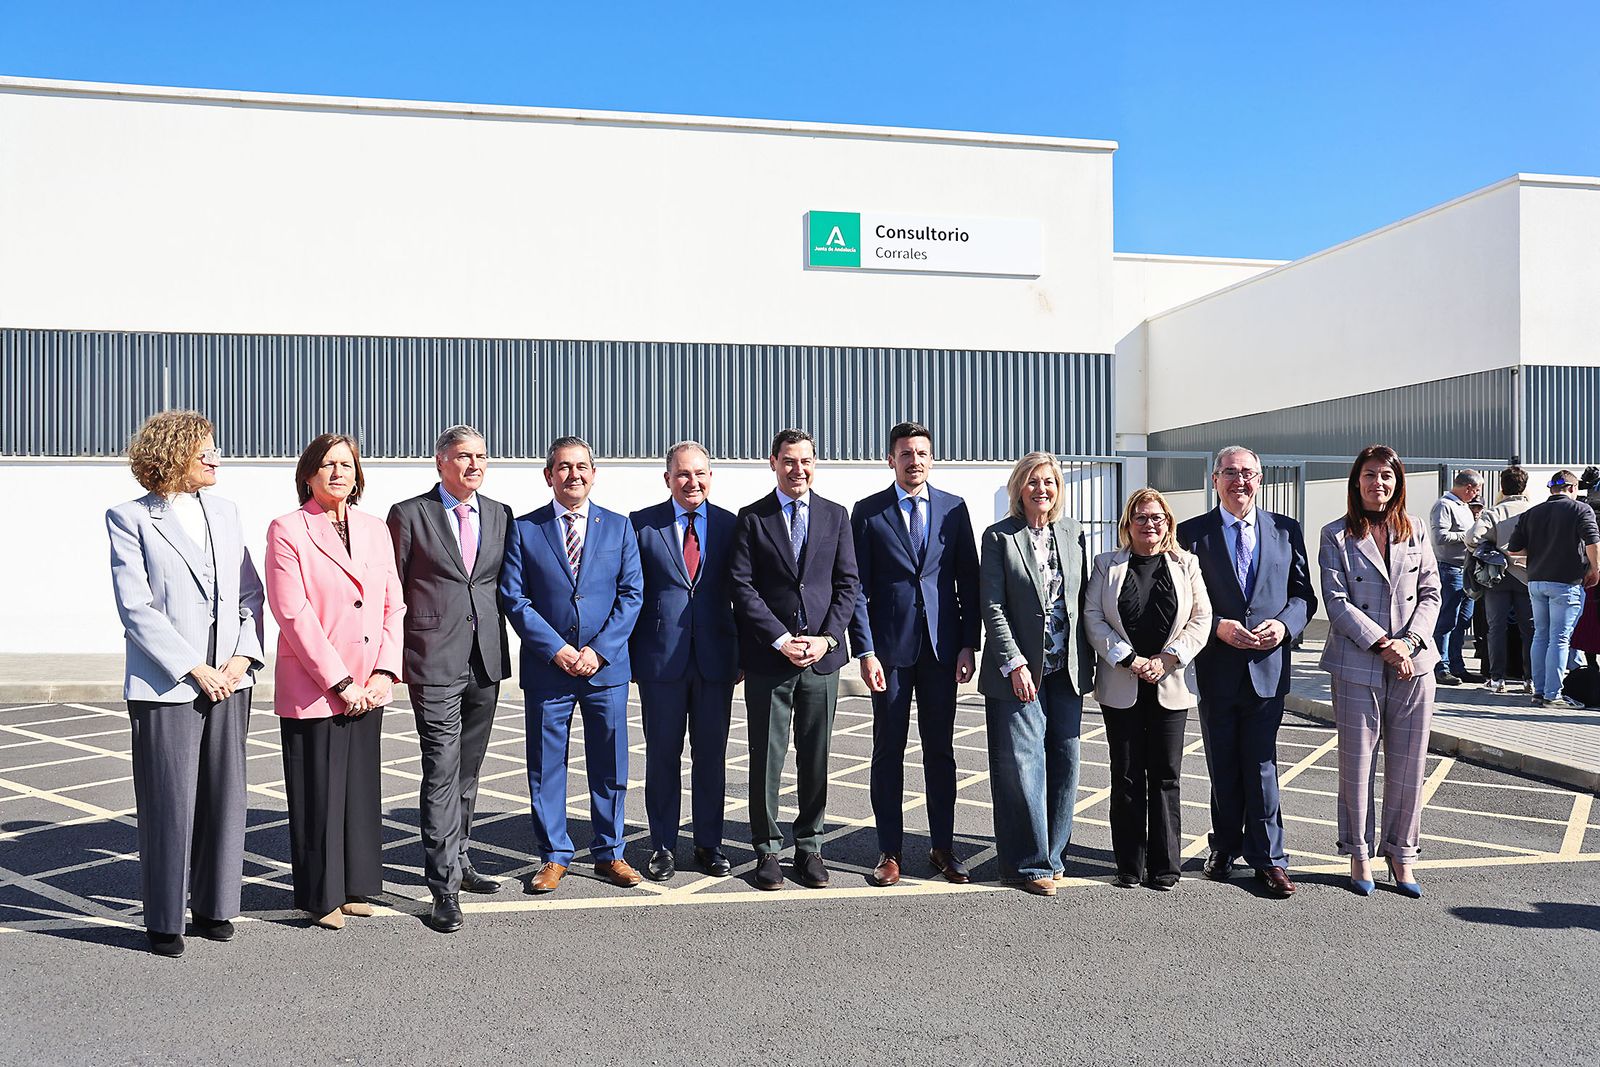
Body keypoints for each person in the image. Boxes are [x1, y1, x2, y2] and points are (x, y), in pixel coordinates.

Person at [106, 411, 265, 957]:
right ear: (174, 455)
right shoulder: (129, 518)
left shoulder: (225, 512)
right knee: (169, 803)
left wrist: (243, 658)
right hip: (168, 683)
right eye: (206, 452)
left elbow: (250, 595)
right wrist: (194, 667)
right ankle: (165, 918)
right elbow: (136, 607)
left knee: (225, 799)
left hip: (230, 680)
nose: (217, 459)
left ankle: (215, 907)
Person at [265, 433, 406, 929]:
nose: (337, 472)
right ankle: (321, 896)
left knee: (360, 789)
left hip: (370, 683)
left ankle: (357, 885)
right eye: (326, 464)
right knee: (317, 793)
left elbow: (393, 602)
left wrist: (385, 672)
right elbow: (292, 613)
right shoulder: (288, 529)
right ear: (308, 473)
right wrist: (342, 682)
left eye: (346, 464)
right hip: (317, 686)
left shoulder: (374, 527)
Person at [498, 436, 643, 893]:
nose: (574, 475)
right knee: (546, 766)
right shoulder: (524, 530)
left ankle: (610, 852)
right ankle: (554, 855)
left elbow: (631, 594)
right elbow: (514, 597)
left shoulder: (619, 528)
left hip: (605, 668)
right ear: (549, 475)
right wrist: (556, 648)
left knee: (610, 763)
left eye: (582, 467)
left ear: (594, 474)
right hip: (549, 669)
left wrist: (598, 651)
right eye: (563, 467)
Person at [385, 425, 513, 933]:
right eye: (463, 457)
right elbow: (392, 589)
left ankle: (460, 856)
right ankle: (442, 888)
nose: (474, 465)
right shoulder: (410, 514)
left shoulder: (500, 514)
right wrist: (387, 661)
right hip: (432, 659)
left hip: (485, 659)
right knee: (441, 768)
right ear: (441, 462)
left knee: (469, 770)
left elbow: (499, 583)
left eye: (481, 456)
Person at [1176, 446, 1316, 898]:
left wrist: (1285, 625)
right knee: (1222, 763)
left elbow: (1302, 596)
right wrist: (1217, 626)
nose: (1240, 480)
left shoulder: (1286, 530)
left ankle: (1270, 859)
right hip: (1217, 666)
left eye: (1249, 473)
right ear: (1215, 479)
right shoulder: (1191, 534)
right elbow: (1181, 602)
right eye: (1231, 472)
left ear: (1260, 479)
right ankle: (1224, 847)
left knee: (1261, 764)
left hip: (1267, 666)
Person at [849, 421, 981, 887]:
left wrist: (969, 643)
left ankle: (942, 847)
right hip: (889, 652)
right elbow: (857, 588)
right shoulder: (867, 513)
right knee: (888, 750)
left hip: (943, 651)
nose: (915, 460)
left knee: (940, 752)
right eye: (906, 453)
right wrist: (864, 650)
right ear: (891, 459)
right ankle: (889, 852)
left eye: (922, 452)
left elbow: (969, 581)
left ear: (931, 457)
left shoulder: (953, 509)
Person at [728, 428, 861, 891]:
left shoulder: (835, 515)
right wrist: (780, 639)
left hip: (822, 659)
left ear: (814, 463)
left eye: (805, 460)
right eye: (788, 460)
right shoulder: (752, 518)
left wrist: (827, 639)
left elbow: (848, 587)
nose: (797, 469)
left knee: (817, 758)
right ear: (773, 463)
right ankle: (766, 848)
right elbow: (741, 588)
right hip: (771, 659)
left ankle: (809, 847)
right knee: (767, 758)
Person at [1317, 444, 1440, 897]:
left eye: (1386, 476)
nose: (1378, 483)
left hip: (1414, 664)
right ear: (1356, 482)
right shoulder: (1335, 535)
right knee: (1357, 765)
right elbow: (1336, 601)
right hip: (1358, 662)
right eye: (1369, 475)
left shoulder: (1417, 530)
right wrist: (1384, 644)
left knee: (1409, 766)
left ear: (1398, 482)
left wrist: (1409, 643)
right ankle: (1359, 852)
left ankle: (1402, 854)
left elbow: (1431, 593)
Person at [977, 452, 1094, 896]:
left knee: (1065, 762)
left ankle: (1054, 854)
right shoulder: (999, 538)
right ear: (1018, 489)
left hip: (1067, 669)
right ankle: (1027, 864)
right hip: (1019, 672)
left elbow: (1082, 599)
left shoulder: (1073, 533)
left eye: (1048, 482)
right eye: (1032, 482)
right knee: (1022, 767)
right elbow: (993, 606)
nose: (1041, 489)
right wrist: (1015, 662)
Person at [1085, 488, 1212, 891]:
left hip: (1169, 683)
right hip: (1122, 683)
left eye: (1157, 518)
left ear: (1168, 523)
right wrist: (1129, 659)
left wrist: (1168, 658)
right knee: (1124, 775)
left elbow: (1201, 618)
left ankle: (1165, 866)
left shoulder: (1187, 564)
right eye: (1141, 517)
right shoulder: (1107, 565)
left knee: (1166, 775)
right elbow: (1092, 617)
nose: (1149, 524)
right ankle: (1128, 864)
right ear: (1128, 524)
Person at [629, 441, 740, 881]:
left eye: (701, 474)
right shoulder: (642, 525)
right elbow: (631, 594)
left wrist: (744, 654)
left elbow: (744, 594)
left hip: (717, 658)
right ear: (668, 479)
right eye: (683, 475)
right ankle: (662, 845)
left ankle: (708, 843)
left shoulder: (733, 525)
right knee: (662, 755)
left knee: (710, 755)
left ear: (710, 477)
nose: (693, 482)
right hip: (660, 661)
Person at [1506, 470, 1600, 709]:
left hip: (1536, 582)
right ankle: (1552, 695)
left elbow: (1514, 549)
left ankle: (1539, 691)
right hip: (1566, 583)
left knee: (1541, 636)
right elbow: (1592, 541)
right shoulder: (1581, 509)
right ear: (1572, 488)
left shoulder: (1532, 513)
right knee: (1559, 639)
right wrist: (1596, 570)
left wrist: (1541, 551)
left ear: (1551, 489)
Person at [1466, 466, 1536, 694]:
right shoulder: (1534, 510)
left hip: (1498, 576)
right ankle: (1530, 679)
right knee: (1530, 629)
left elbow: (1472, 536)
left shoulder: (1494, 512)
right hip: (1527, 576)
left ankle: (1497, 679)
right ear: (1524, 486)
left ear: (1501, 487)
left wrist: (1490, 550)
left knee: (1496, 628)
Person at [1428, 470, 1483, 685]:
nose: (1476, 495)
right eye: (1476, 490)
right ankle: (1440, 666)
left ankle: (1457, 666)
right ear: (1468, 487)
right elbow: (1440, 537)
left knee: (1462, 621)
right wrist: (1468, 535)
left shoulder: (1463, 507)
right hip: (1450, 570)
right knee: (1447, 620)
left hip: (1465, 570)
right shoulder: (1444, 505)